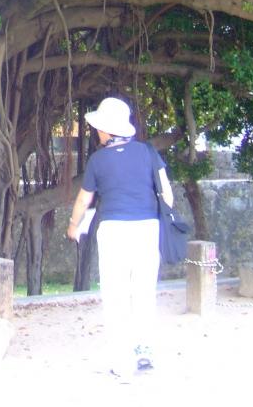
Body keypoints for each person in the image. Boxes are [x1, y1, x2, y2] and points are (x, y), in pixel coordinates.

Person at [65, 96, 174, 380]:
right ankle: (144, 351)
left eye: (99, 128)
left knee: (116, 294)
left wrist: (73, 227)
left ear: (106, 130)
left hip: (114, 230)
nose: (97, 132)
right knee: (143, 291)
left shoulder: (98, 160)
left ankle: (123, 363)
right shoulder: (148, 152)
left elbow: (83, 200)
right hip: (147, 228)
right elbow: (167, 194)